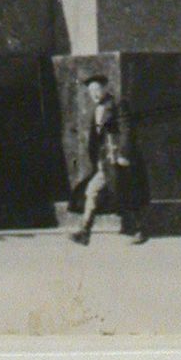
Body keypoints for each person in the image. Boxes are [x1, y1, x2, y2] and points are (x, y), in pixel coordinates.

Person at [70, 72, 148, 245]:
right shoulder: (96, 109)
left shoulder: (118, 104)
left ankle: (139, 230)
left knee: (123, 193)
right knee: (94, 191)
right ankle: (85, 231)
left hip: (117, 160)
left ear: (106, 88)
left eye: (97, 89)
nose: (94, 94)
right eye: (91, 91)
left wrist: (123, 154)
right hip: (105, 161)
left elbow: (127, 129)